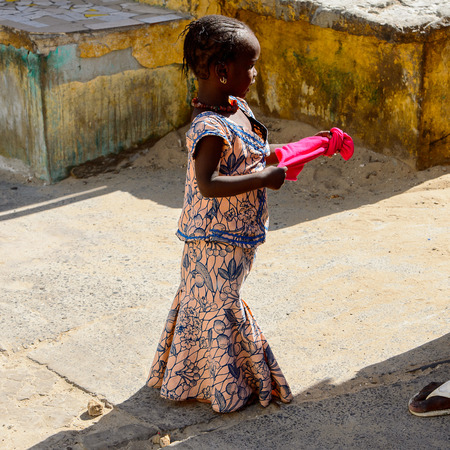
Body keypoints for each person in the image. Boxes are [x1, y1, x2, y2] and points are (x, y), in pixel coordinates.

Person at [146, 14, 334, 413]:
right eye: (249, 65)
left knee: (208, 303)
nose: (254, 72)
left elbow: (257, 152)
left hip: (238, 233)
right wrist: (264, 179)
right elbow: (209, 183)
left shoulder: (238, 108)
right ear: (220, 71)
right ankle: (230, 383)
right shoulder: (209, 127)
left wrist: (311, 147)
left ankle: (192, 378)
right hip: (211, 238)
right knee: (218, 304)